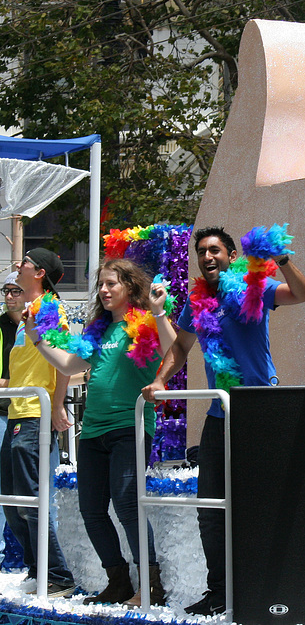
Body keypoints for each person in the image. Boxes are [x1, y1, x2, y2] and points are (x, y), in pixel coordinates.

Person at [142, 225, 305, 616]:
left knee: (261, 503)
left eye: (215, 250)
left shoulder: (254, 287)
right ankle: (220, 590)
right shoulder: (197, 300)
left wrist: (282, 259)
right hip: (220, 413)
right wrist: (159, 379)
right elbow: (182, 346)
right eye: (201, 252)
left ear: (231, 256)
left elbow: (302, 294)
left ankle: (267, 588)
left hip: (260, 408)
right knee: (210, 507)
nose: (207, 257)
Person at [23, 258, 176, 606]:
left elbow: (174, 349)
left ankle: (152, 585)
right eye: (102, 285)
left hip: (130, 426)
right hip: (92, 431)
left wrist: (160, 313)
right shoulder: (99, 328)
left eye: (112, 284)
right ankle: (118, 580)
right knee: (91, 508)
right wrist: (37, 341)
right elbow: (70, 365)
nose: (104, 291)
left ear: (129, 287)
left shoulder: (147, 321)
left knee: (126, 503)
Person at [0, 248, 75, 597]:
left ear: (39, 272)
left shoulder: (49, 309)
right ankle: (39, 568)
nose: (18, 266)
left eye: (25, 262)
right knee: (11, 501)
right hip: (17, 412)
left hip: (34, 414)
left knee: (29, 499)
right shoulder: (25, 316)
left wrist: (58, 403)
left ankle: (58, 574)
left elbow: (63, 362)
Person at [0, 272, 24, 567]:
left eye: (15, 290)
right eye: (6, 291)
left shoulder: (44, 323)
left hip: (33, 415)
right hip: (4, 412)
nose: (9, 297)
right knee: (5, 491)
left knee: (35, 494)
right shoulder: (1, 326)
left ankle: (42, 563)